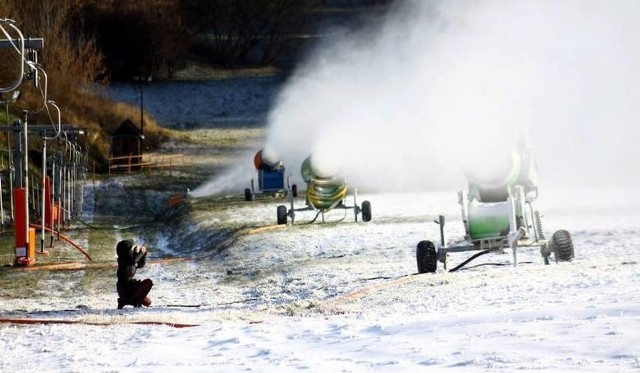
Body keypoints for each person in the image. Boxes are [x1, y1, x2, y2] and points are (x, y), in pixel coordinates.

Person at [116, 239, 153, 309]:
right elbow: (133, 261)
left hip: (131, 287)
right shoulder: (123, 259)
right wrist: (140, 253)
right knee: (148, 282)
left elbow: (140, 264)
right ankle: (132, 301)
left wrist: (144, 253)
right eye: (132, 248)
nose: (134, 249)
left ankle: (129, 301)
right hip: (125, 288)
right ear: (127, 250)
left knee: (148, 302)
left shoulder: (129, 259)